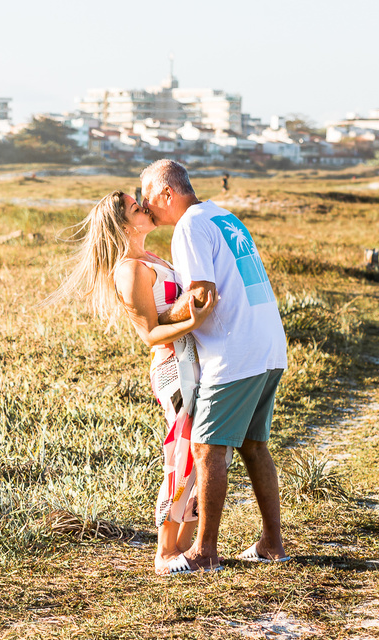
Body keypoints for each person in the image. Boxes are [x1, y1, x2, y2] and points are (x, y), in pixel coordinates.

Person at [53, 190, 218, 574]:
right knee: (181, 453)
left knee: (200, 452)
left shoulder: (153, 259)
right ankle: (164, 552)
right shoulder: (128, 269)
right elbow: (149, 334)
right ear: (123, 224)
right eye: (135, 207)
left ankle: (183, 547)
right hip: (173, 366)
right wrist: (194, 322)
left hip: (193, 360)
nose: (145, 207)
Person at [141, 159, 289, 573]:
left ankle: (205, 552)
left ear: (167, 193)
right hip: (268, 345)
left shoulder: (188, 225)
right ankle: (271, 544)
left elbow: (202, 296)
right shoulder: (224, 215)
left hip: (234, 351)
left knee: (208, 448)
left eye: (148, 196)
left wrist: (158, 322)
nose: (145, 205)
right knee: (254, 445)